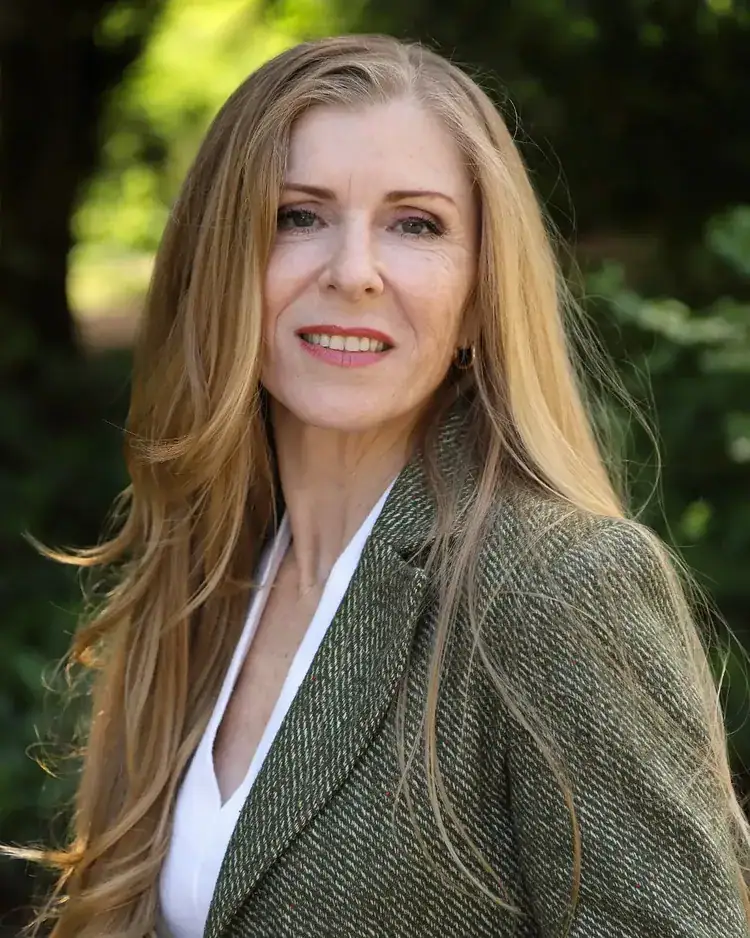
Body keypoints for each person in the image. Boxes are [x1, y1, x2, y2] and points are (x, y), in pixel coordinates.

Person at [8, 33, 750, 938]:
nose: (353, 272)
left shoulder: (559, 585)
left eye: (416, 224)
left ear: (479, 293)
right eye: (296, 216)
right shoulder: (205, 579)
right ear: (219, 266)